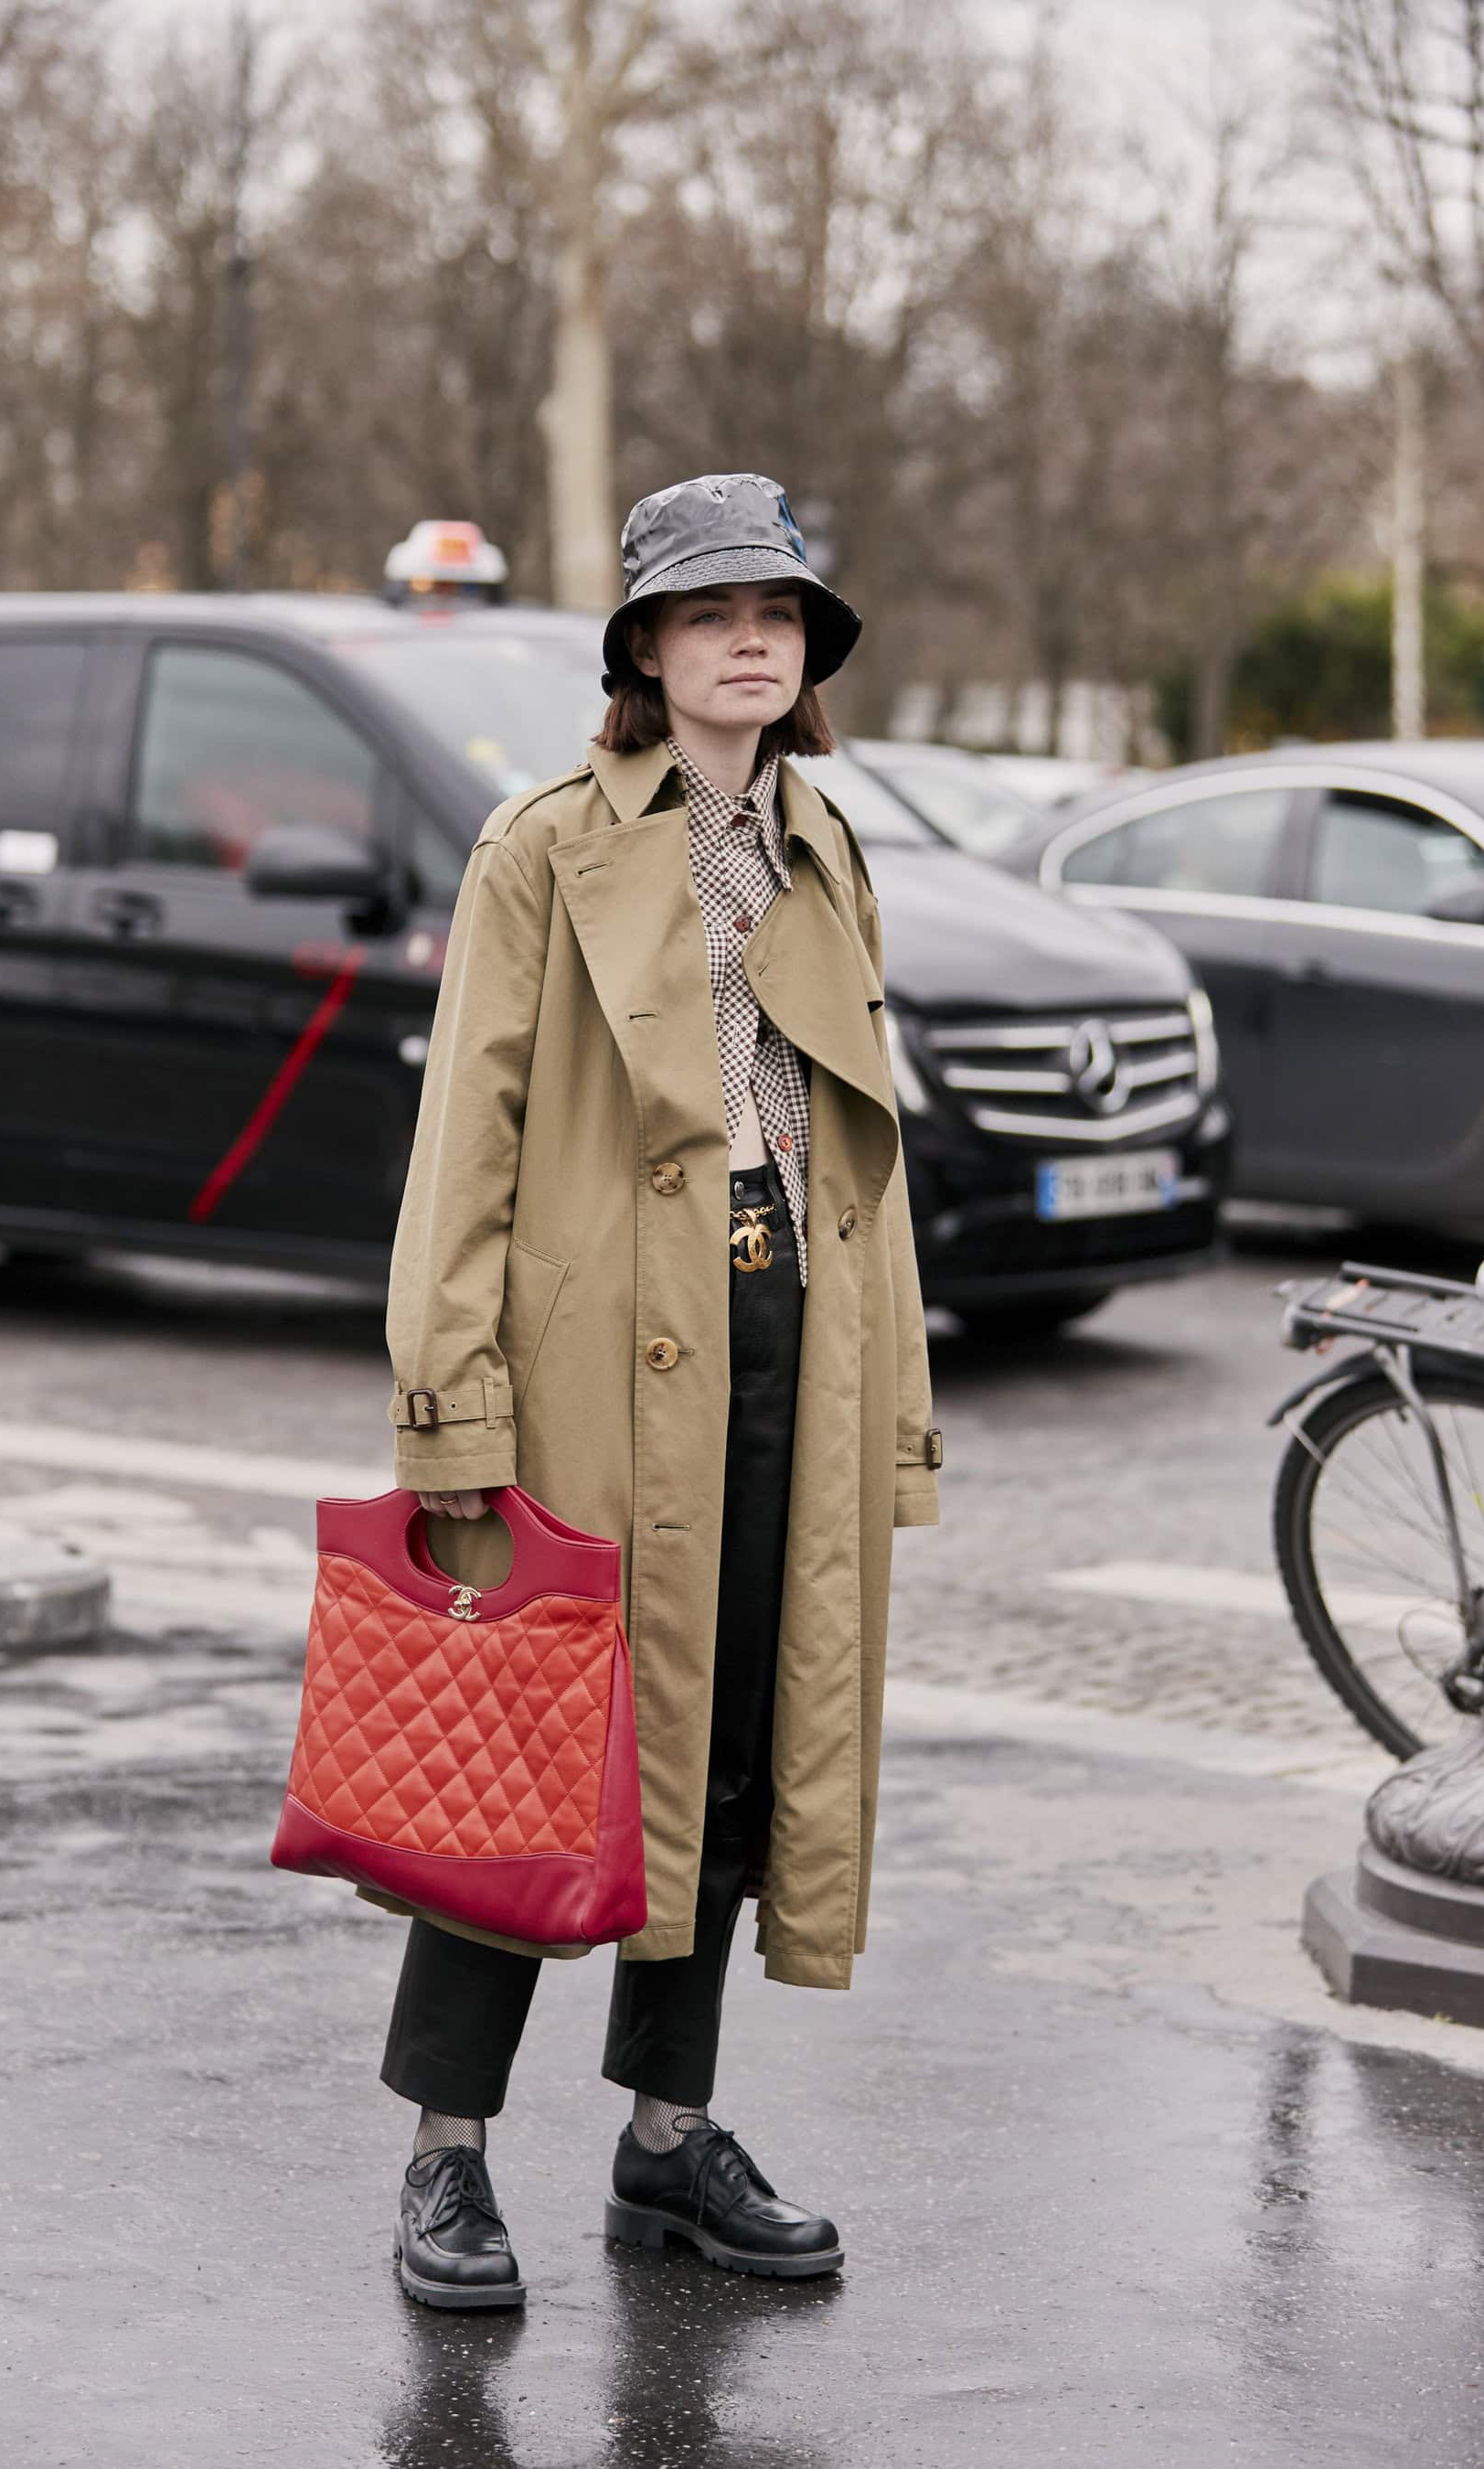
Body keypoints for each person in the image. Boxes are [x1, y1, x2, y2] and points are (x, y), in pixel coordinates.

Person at [371, 471, 942, 2310]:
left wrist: (899, 1405)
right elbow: (467, 1137)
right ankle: (447, 2162)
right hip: (598, 1369)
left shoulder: (828, 845)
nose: (749, 640)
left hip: (795, 1340)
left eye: (776, 612)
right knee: (541, 1751)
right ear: (644, 650)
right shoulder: (544, 847)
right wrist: (453, 1406)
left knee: (737, 1745)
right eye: (710, 616)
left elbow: (864, 1158)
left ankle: (668, 2137)